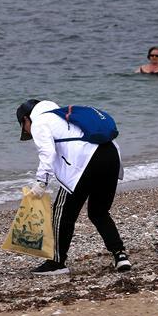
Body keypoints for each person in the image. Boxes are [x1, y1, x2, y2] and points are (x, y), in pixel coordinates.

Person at [16, 99, 131, 275]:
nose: (26, 131)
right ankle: (120, 255)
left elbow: (47, 153)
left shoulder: (40, 121)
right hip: (111, 156)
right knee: (99, 213)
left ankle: (56, 263)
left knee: (62, 214)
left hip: (85, 162)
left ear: (26, 119)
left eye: (23, 127)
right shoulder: (64, 116)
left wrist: (41, 183)